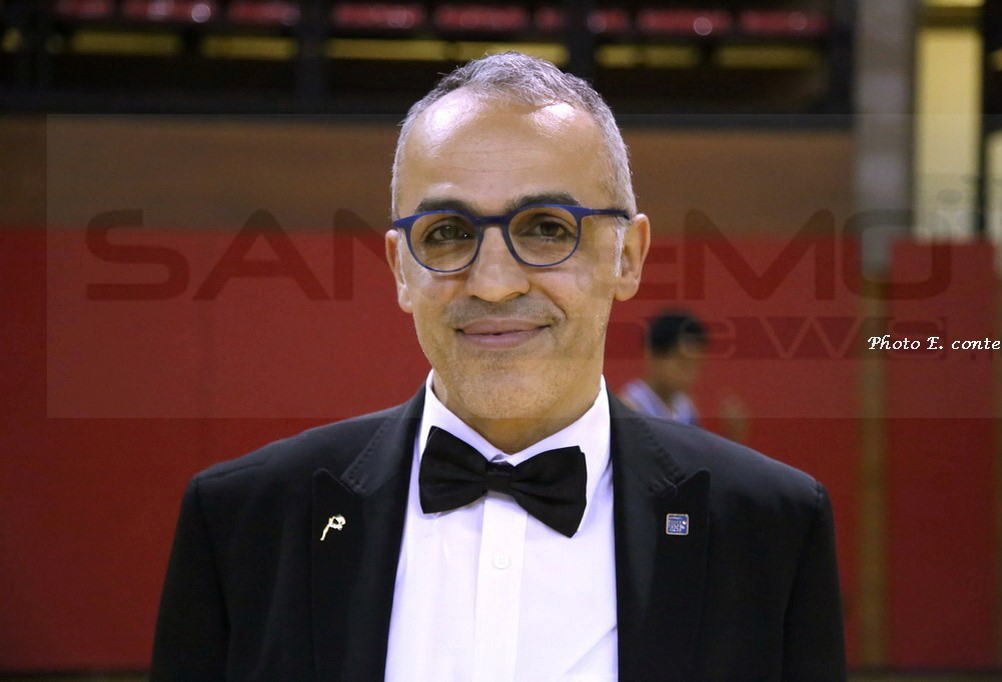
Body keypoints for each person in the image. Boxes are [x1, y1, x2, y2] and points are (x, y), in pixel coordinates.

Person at [151, 53, 846, 681]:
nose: (492, 283)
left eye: (546, 228)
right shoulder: (242, 522)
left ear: (628, 257)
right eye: (447, 233)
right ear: (400, 268)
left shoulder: (770, 530)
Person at [620, 310, 748, 442]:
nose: (690, 374)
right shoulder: (629, 408)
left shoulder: (685, 408)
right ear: (653, 354)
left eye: (696, 365)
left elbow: (694, 454)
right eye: (683, 364)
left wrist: (732, 437)